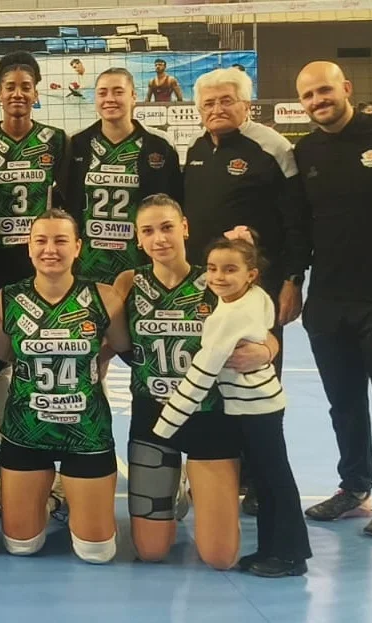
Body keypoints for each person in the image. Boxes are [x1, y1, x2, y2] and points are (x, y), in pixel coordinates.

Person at [290, 61, 372, 537]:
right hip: (328, 298)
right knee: (343, 402)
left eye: (324, 90)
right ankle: (354, 487)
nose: (317, 101)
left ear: (346, 88)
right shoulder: (305, 151)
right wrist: (293, 280)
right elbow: (298, 224)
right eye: (308, 95)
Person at [116, 196, 278, 569]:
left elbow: (264, 333)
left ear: (185, 228)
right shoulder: (129, 283)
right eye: (148, 231)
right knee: (151, 552)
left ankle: (192, 481)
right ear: (138, 238)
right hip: (153, 419)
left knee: (220, 558)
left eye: (167, 227)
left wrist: (266, 350)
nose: (159, 238)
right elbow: (107, 340)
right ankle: (173, 489)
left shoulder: (214, 278)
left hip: (210, 418)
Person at [182, 66, 302, 514]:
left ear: (246, 104)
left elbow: (296, 220)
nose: (217, 109)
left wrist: (291, 279)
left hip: (257, 290)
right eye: (208, 103)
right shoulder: (197, 149)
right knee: (215, 377)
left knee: (255, 378)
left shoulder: (271, 147)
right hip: (208, 288)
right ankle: (222, 471)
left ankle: (260, 478)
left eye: (226, 100)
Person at [152, 231, 305, 577]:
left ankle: (291, 555)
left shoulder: (227, 319)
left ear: (251, 274)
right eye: (212, 268)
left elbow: (201, 374)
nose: (218, 277)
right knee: (267, 481)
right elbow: (266, 322)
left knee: (274, 481)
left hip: (257, 409)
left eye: (230, 269)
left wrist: (164, 426)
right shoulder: (254, 296)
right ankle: (271, 550)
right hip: (260, 404)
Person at [0, 209, 124, 564]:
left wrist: (95, 357)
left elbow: (128, 348)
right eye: (41, 241)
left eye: (61, 240)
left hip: (86, 433)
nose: (50, 249)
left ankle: (71, 496)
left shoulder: (105, 298)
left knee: (97, 552)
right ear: (29, 248)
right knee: (21, 546)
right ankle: (53, 498)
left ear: (77, 247)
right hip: (26, 432)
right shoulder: (8, 298)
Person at [0, 51, 66, 456]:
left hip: (40, 262)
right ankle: (8, 445)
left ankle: (46, 438)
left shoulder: (55, 140)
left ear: (36, 93)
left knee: (42, 351)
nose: (18, 94)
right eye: (10, 87)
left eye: (26, 87)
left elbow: (67, 202)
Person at [60, 67, 183, 283]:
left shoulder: (159, 145)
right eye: (102, 93)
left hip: (142, 264)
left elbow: (176, 202)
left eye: (118, 92)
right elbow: (65, 199)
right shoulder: (77, 144)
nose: (110, 99)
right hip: (87, 265)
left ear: (133, 96)